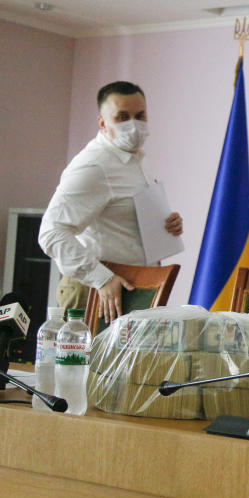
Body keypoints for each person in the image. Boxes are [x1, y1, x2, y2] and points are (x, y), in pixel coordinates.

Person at [39, 81, 183, 324]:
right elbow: (51, 233)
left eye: (140, 115)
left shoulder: (136, 159)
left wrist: (166, 224)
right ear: (103, 123)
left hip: (134, 288)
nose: (134, 125)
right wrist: (101, 278)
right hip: (97, 290)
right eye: (123, 117)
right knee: (84, 362)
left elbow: (123, 216)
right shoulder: (94, 165)